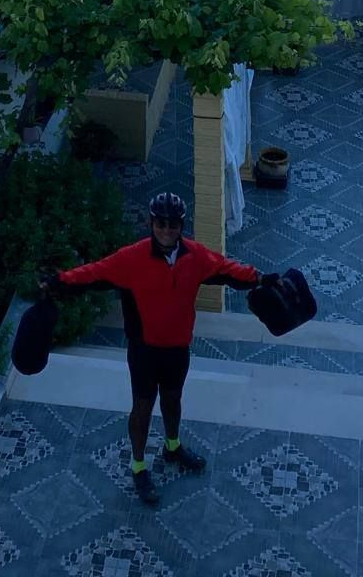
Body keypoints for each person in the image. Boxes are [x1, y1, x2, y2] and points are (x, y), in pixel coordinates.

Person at [41, 190, 279, 506]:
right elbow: (94, 273)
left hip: (177, 348)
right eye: (160, 223)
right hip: (144, 351)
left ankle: (172, 446)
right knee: (142, 408)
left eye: (173, 224)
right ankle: (138, 466)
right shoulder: (131, 258)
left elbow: (226, 269)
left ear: (181, 225)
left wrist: (259, 278)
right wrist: (59, 281)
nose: (166, 230)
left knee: (172, 400)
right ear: (151, 223)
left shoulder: (196, 256)